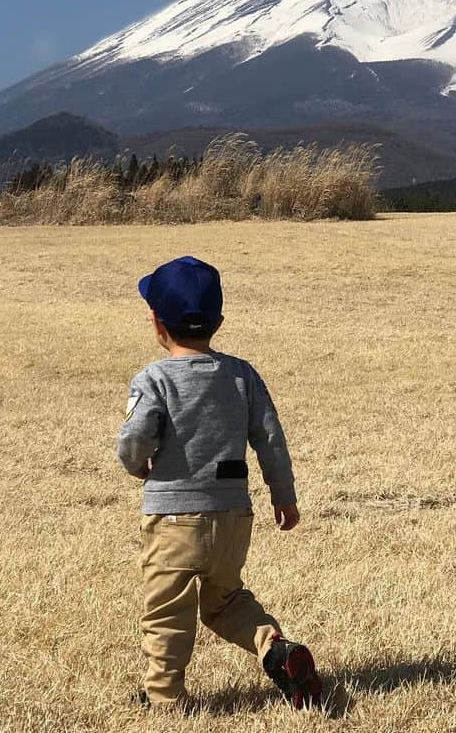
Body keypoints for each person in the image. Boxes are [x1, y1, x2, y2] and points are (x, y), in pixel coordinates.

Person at [116, 255, 323, 711]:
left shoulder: (153, 379)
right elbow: (270, 439)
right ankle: (275, 649)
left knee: (166, 612)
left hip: (173, 519)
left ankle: (165, 700)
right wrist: (283, 496)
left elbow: (134, 439)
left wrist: (136, 465)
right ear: (220, 321)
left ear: (157, 323)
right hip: (233, 516)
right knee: (225, 600)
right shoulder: (242, 375)